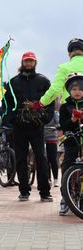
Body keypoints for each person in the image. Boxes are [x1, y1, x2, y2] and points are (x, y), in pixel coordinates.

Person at [3, 51, 54, 202]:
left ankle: (45, 192)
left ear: (35, 63)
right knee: (20, 159)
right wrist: (11, 119)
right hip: (19, 127)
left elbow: (50, 102)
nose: (29, 64)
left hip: (37, 127)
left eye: (31, 61)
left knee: (41, 158)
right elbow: (7, 104)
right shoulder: (13, 82)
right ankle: (24, 190)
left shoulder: (43, 81)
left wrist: (44, 118)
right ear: (22, 62)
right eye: (26, 61)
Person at [58, 73, 83, 215]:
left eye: (80, 89)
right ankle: (65, 198)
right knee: (67, 167)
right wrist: (73, 120)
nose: (77, 92)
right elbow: (64, 126)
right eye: (74, 89)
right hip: (72, 142)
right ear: (69, 90)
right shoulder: (65, 106)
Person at [35, 38, 83, 108]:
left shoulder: (63, 67)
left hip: (69, 110)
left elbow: (55, 90)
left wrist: (40, 103)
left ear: (69, 53)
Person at [44, 109, 60, 187]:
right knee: (45, 159)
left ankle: (56, 179)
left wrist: (57, 127)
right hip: (42, 138)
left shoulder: (55, 113)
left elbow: (59, 123)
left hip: (52, 138)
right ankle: (48, 178)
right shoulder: (41, 112)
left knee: (53, 159)